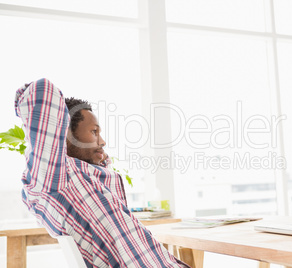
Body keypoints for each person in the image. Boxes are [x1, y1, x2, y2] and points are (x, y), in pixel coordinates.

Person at [15, 78, 190, 268]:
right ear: (64, 134)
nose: (103, 141)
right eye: (94, 132)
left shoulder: (86, 179)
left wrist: (99, 156)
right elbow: (43, 91)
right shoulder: (57, 179)